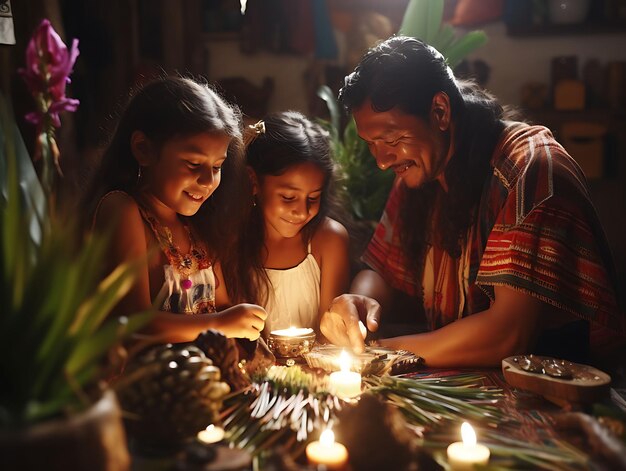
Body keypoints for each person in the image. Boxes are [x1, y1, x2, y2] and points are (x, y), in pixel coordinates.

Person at [320, 36, 624, 368]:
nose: (381, 160)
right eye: (371, 143)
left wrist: (379, 353)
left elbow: (507, 335)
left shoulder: (529, 170)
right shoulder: (419, 167)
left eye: (391, 139)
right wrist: (359, 302)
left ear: (440, 111)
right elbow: (382, 271)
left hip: (555, 392)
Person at [84, 76, 267, 344]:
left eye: (217, 167)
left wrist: (244, 321)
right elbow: (134, 323)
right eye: (193, 164)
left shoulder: (198, 227)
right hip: (143, 381)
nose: (207, 181)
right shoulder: (123, 210)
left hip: (200, 380)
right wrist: (220, 324)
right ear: (143, 150)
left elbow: (221, 304)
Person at [243, 111, 350, 336]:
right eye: (289, 197)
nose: (302, 212)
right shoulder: (231, 239)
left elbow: (330, 336)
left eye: (313, 198)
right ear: (254, 181)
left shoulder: (328, 240)